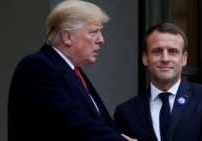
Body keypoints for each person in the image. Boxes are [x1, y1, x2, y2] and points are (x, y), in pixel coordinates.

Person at [8, 0, 137, 141]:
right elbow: (70, 122)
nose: (101, 39)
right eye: (94, 32)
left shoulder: (74, 72)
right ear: (67, 37)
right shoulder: (36, 67)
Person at [114, 23, 202, 141]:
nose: (165, 59)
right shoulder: (125, 112)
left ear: (184, 58)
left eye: (173, 51)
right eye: (157, 51)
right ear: (145, 58)